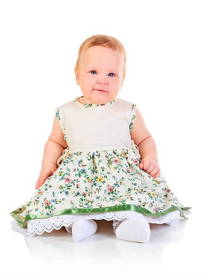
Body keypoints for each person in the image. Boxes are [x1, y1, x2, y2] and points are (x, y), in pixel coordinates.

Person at [10, 34, 191, 242]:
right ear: (78, 75)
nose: (102, 80)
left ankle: (129, 223)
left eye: (112, 74)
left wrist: (150, 158)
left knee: (131, 194)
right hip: (78, 176)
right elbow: (55, 141)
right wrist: (48, 164)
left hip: (120, 175)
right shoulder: (66, 111)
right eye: (93, 72)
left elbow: (145, 139)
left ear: (123, 79)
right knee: (67, 197)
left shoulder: (127, 110)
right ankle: (81, 223)